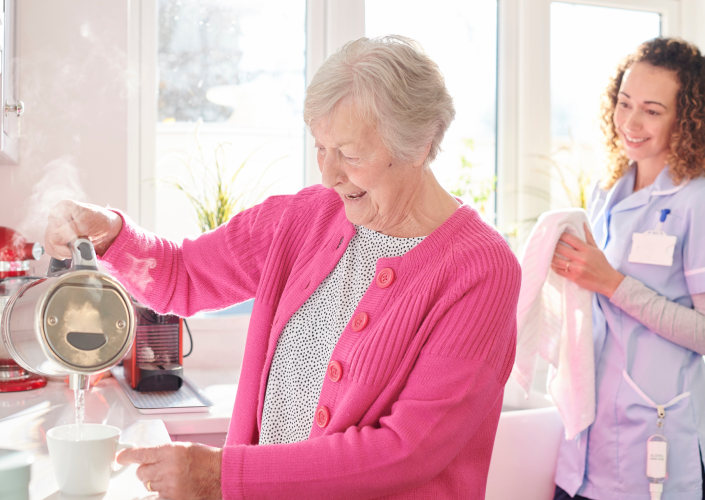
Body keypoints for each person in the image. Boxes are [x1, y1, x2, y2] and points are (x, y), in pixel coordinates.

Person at [45, 36, 521, 500]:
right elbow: (184, 275)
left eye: (351, 155)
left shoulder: (480, 269)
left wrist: (222, 477)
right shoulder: (305, 216)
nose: (329, 174)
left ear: (418, 146)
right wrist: (109, 231)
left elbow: (408, 449)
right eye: (321, 147)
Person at [550, 38, 705, 500]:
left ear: (689, 118)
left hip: (659, 435)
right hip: (588, 437)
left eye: (652, 111)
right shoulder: (606, 191)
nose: (630, 123)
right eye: (624, 103)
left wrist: (612, 284)